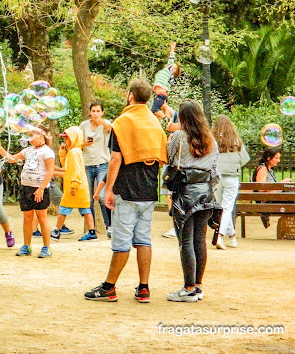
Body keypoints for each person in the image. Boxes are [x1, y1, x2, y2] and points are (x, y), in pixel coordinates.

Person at [85, 79, 167, 303]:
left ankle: (109, 287)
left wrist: (108, 189)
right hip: (149, 190)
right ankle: (143, 288)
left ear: (130, 95)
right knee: (143, 240)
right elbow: (160, 157)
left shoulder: (122, 122)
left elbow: (115, 159)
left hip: (127, 189)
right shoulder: (154, 122)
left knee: (121, 242)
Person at [165, 100, 221, 302]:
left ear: (182, 117)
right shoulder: (211, 141)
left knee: (185, 241)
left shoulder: (178, 137)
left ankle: (187, 287)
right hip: (205, 193)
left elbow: (171, 162)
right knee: (200, 240)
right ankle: (197, 286)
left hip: (185, 193)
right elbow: (214, 172)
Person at [0, 124, 55, 259]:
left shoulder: (47, 151)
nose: (29, 139)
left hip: (39, 189)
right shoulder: (28, 150)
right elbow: (11, 159)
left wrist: (40, 189)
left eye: (32, 136)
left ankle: (46, 247)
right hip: (26, 188)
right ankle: (27, 246)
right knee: (27, 218)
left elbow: (50, 171)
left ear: (41, 135)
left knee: (42, 218)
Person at [50, 126, 96, 242]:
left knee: (63, 208)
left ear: (74, 138)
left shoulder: (74, 152)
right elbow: (66, 167)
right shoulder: (74, 151)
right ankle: (92, 233)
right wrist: (62, 153)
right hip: (81, 187)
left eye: (67, 139)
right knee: (85, 209)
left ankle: (56, 231)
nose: (65, 141)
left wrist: (74, 185)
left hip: (74, 187)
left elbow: (75, 170)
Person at [212, 115, 250, 249]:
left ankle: (232, 237)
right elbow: (244, 159)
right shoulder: (236, 141)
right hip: (232, 177)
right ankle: (220, 236)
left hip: (216, 178)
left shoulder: (212, 141)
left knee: (222, 207)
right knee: (227, 208)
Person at [79, 101, 112, 235]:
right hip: (87, 164)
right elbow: (77, 144)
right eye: (93, 111)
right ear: (90, 112)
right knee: (88, 199)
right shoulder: (83, 125)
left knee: (103, 196)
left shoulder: (106, 124)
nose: (95, 114)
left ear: (102, 112)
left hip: (102, 164)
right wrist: (84, 144)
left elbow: (110, 131)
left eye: (98, 111)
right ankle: (91, 229)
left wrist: (102, 122)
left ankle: (109, 226)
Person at [252, 146, 291, 228]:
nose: (279, 160)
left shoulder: (270, 170)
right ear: (269, 158)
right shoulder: (262, 169)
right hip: (267, 201)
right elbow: (261, 189)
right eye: (276, 158)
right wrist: (280, 184)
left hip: (273, 198)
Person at [151, 42, 180, 120]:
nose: (171, 64)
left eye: (173, 66)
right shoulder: (165, 71)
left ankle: (165, 118)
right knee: (163, 109)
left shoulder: (169, 71)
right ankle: (168, 120)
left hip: (161, 95)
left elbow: (171, 59)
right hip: (162, 95)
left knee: (154, 109)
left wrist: (172, 49)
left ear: (173, 70)